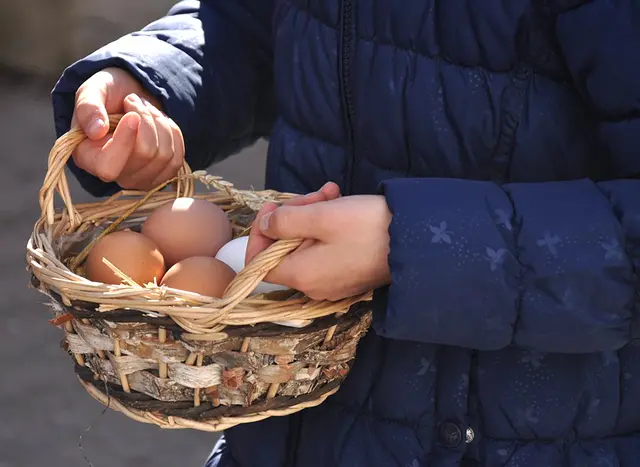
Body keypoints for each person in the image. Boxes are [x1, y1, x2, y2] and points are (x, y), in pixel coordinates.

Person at [50, 1, 640, 466]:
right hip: (297, 410)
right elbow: (261, 22)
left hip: (528, 434)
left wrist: (412, 246)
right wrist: (156, 83)